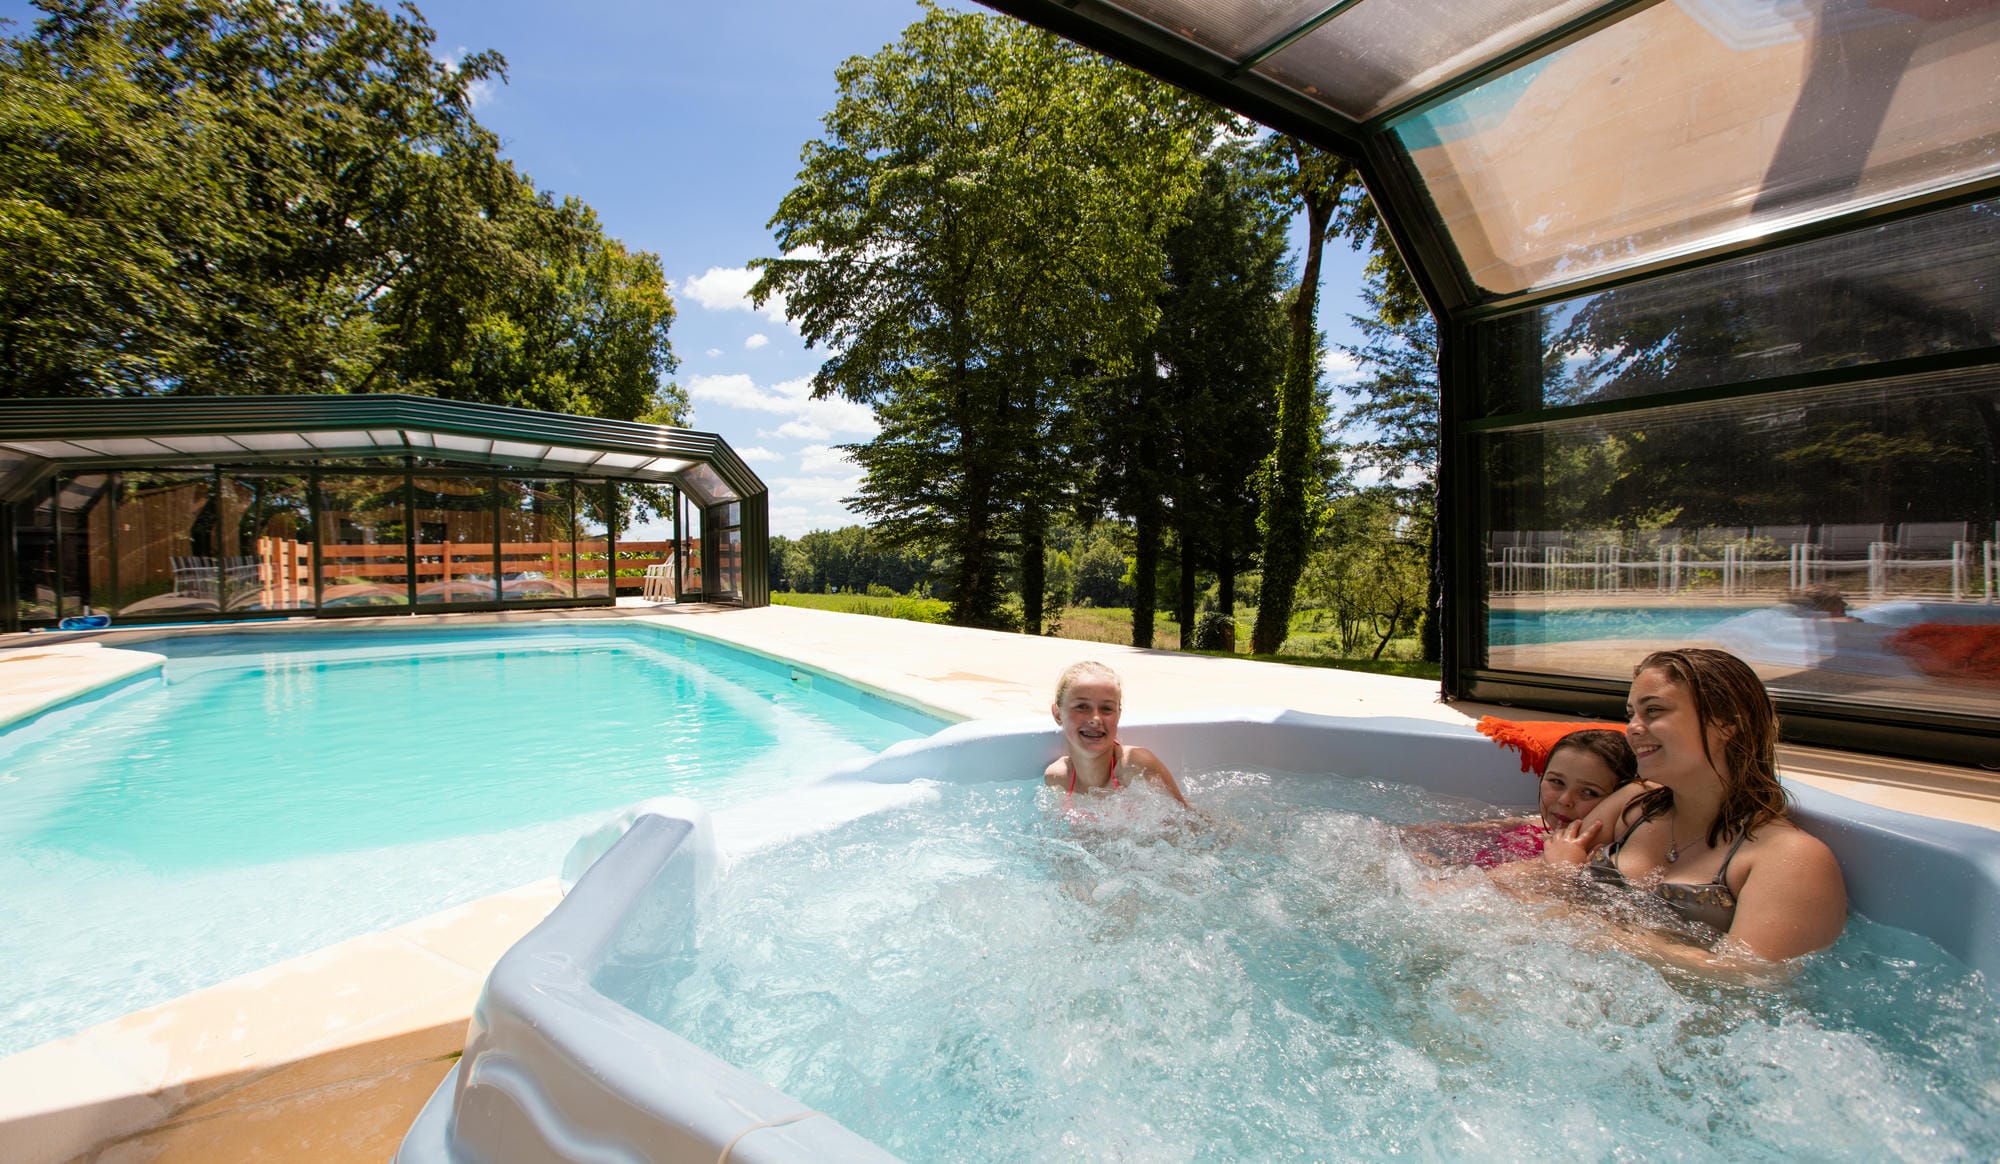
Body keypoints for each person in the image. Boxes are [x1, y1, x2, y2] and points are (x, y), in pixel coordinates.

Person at [1541, 648, 1847, 962]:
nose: (1632, 727)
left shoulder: (1789, 858)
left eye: (1654, 711)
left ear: (1726, 724)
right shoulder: (1635, 805)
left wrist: (1583, 921)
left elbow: (1746, 976)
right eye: (1631, 713)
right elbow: (1550, 863)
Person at [1405, 728, 1636, 868]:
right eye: (1556, 782)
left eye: (1589, 792)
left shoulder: (1586, 858)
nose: (1566, 799)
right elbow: (1455, 833)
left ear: (1615, 800)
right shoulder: (1534, 825)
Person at [1043, 661, 1190, 807]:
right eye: (1082, 707)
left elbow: (1189, 822)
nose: (1095, 719)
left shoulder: (1136, 767)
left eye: (1106, 708)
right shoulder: (1057, 779)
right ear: (1057, 714)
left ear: (1118, 715)